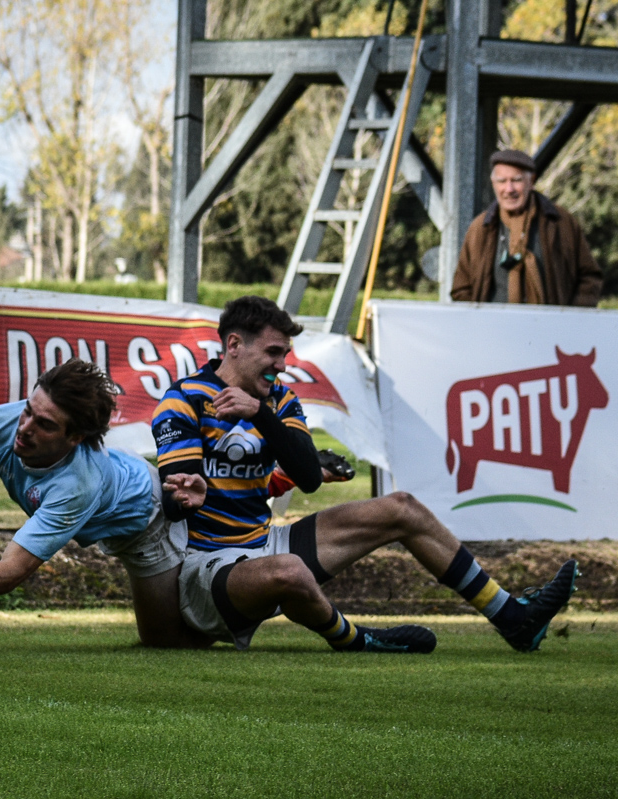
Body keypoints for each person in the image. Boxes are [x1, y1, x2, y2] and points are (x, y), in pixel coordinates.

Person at [154, 295, 578, 653]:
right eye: (273, 353)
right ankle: (358, 640)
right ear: (233, 345)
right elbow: (176, 503)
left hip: (264, 544)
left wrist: (260, 415)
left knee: (402, 507)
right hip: (207, 569)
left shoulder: (278, 399)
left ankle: (511, 616)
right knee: (289, 570)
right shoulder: (184, 399)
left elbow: (308, 477)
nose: (281, 365)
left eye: (285, 354)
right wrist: (183, 496)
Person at [0, 357, 207, 648]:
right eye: (28, 411)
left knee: (163, 641)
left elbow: (11, 571)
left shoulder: (77, 485)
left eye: (45, 425)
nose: (24, 428)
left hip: (146, 521)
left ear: (75, 438)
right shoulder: (3, 421)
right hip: (116, 477)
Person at [451, 148, 602, 305]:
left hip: (550, 320)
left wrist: (570, 315)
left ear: (531, 182)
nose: (509, 189)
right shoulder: (481, 227)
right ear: (493, 183)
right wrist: (478, 318)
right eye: (502, 181)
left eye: (516, 180)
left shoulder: (560, 222)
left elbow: (589, 277)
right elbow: (461, 287)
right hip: (493, 321)